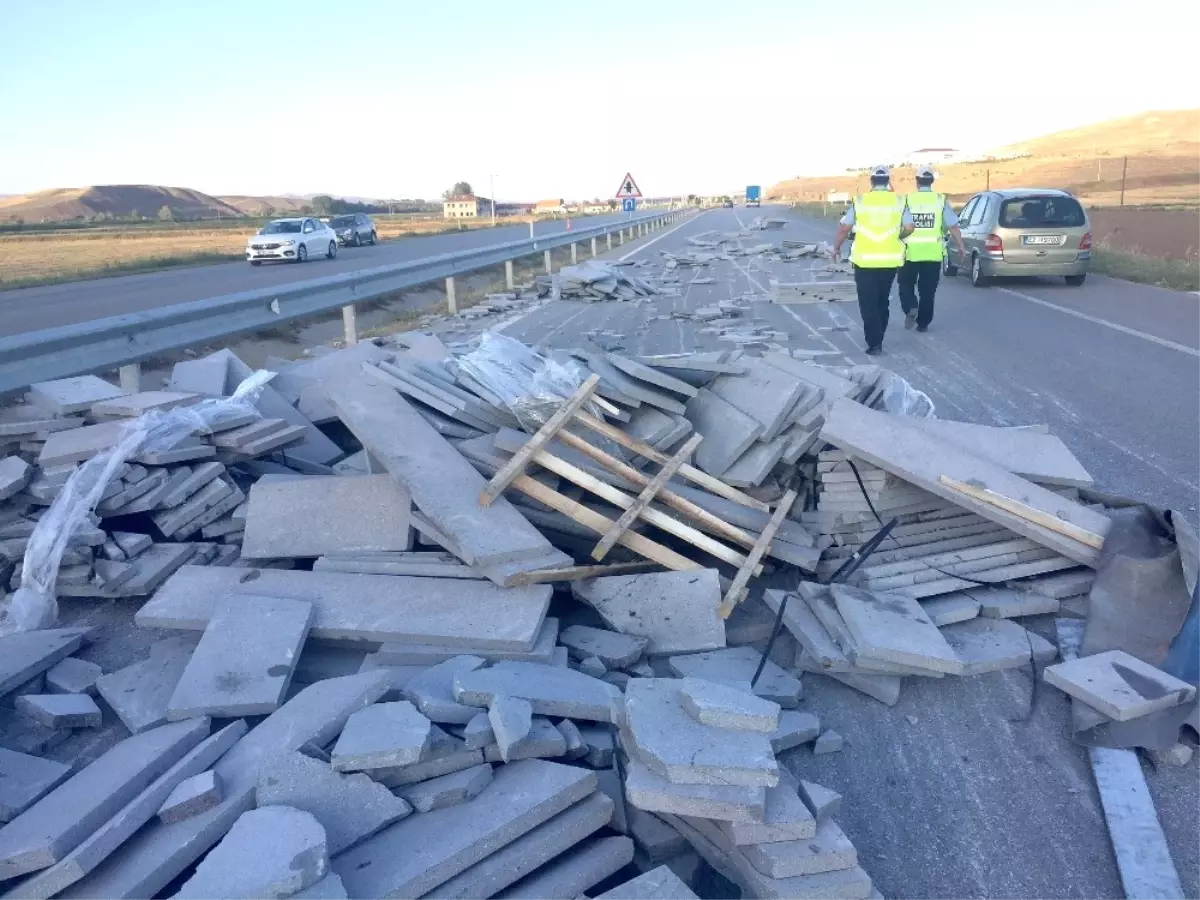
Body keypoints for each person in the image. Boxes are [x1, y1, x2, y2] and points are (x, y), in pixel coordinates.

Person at [830, 165, 913, 355]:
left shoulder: (860, 201)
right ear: (888, 181)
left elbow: (844, 228)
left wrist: (836, 248)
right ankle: (879, 334)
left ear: (872, 181)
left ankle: (875, 343)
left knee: (868, 303)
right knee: (882, 300)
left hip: (865, 262)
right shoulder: (899, 201)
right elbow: (909, 227)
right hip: (890, 261)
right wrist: (897, 238)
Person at [900, 165, 968, 332]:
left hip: (909, 252)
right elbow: (953, 226)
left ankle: (910, 307)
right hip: (932, 253)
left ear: (917, 181)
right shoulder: (940, 200)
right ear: (931, 182)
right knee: (928, 291)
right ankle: (923, 324)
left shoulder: (907, 200)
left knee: (905, 284)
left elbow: (901, 225)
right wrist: (961, 245)